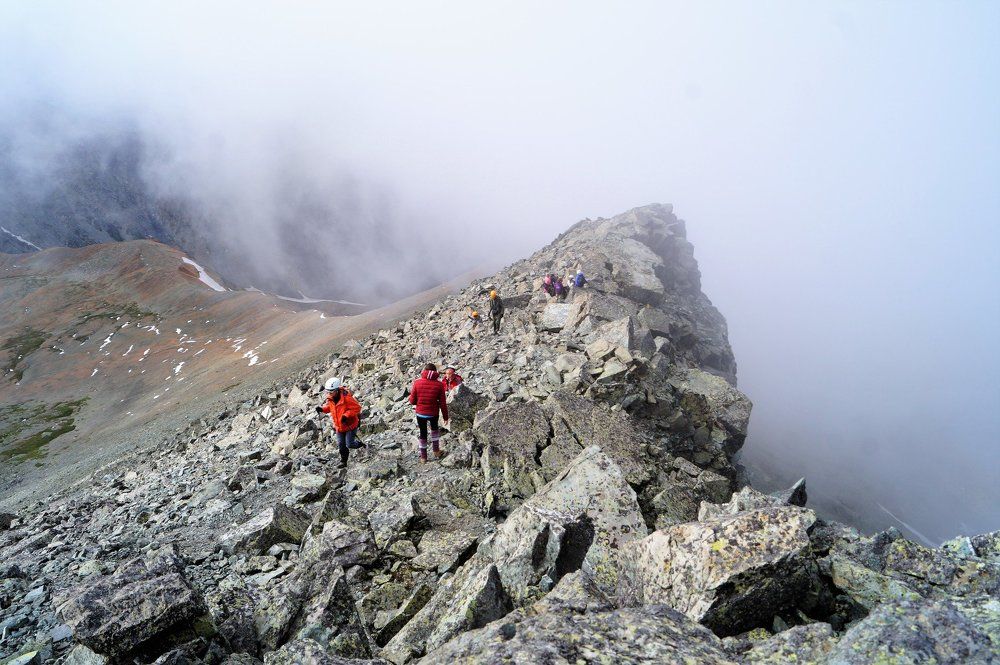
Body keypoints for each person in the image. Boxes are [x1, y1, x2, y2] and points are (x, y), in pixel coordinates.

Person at [315, 377, 361, 469]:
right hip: (339, 426)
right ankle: (344, 461)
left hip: (350, 425)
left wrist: (346, 415)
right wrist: (322, 409)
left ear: (336, 390)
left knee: (349, 444)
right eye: (328, 392)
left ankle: (361, 445)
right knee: (341, 445)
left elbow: (357, 408)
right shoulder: (331, 399)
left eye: (331, 392)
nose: (329, 394)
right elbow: (330, 408)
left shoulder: (347, 398)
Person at [409, 363, 449, 462]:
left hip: (420, 413)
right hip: (433, 413)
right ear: (435, 372)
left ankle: (423, 457)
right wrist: (445, 417)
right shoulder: (439, 385)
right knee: (434, 431)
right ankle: (436, 451)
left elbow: (412, 401)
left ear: (424, 371)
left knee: (423, 433)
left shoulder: (417, 383)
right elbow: (443, 403)